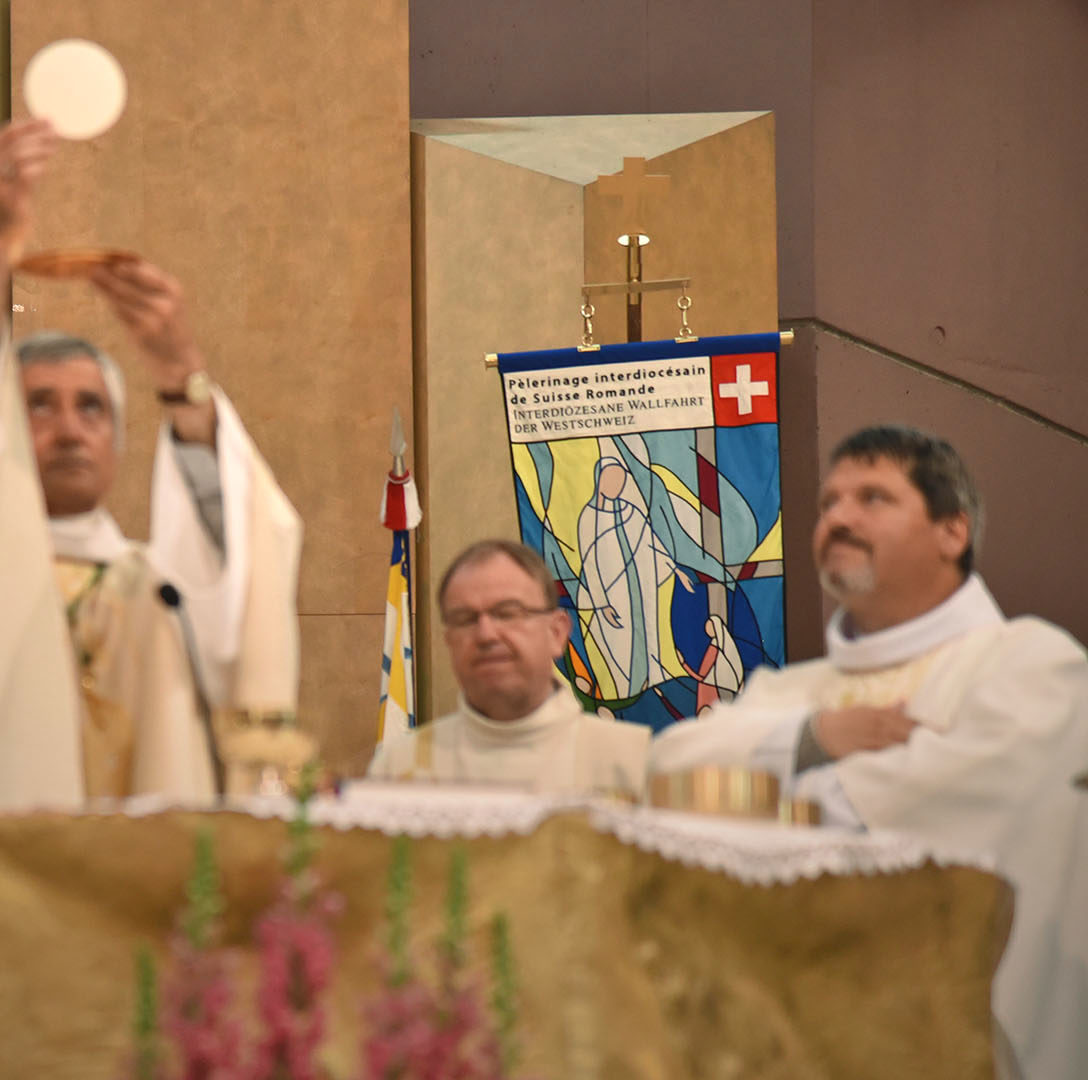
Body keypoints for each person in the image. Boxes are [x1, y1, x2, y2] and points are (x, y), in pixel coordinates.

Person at [0, 119, 302, 816]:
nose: (67, 430)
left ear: (119, 443)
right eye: (40, 407)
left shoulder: (166, 593)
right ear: (0, 429)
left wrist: (183, 374)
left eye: (90, 408)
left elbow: (240, 561)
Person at [649, 424, 1088, 1078]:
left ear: (953, 531)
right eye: (827, 504)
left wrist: (778, 813)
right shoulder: (791, 692)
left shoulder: (1030, 662)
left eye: (872, 498)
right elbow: (665, 772)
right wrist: (812, 739)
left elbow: (971, 799)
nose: (838, 518)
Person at [368, 539, 650, 793]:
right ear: (449, 641)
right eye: (465, 618)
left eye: (507, 613)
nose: (486, 634)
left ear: (557, 633)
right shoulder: (398, 770)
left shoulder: (637, 763)